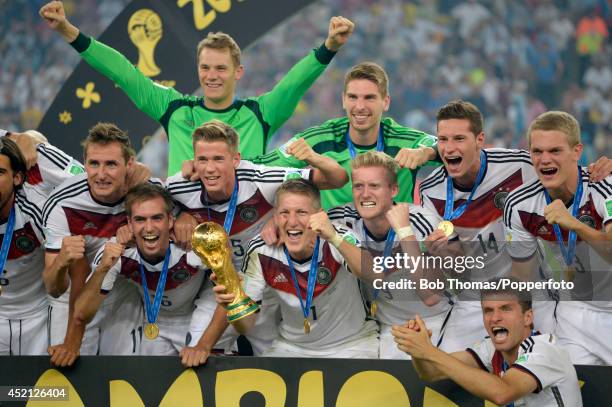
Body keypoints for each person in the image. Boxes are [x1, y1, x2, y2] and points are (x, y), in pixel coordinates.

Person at [40, 1, 355, 174]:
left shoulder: (259, 113)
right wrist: (69, 31)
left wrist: (328, 47)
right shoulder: (175, 109)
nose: (212, 75)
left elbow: (293, 83)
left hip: (242, 237)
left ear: (238, 72)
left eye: (221, 68)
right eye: (205, 68)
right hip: (182, 236)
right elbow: (124, 72)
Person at [418, 100, 612, 352]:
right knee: (450, 370)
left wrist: (605, 168)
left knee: (544, 369)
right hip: (473, 300)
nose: (449, 147)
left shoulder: (520, 166)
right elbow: (451, 270)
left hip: (536, 297)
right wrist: (443, 254)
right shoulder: (429, 190)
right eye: (442, 140)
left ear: (479, 139)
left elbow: (570, 174)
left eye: (459, 138)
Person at [166, 120, 347, 356]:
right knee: (199, 354)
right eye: (203, 159)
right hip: (219, 287)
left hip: (269, 285)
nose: (209, 169)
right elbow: (148, 206)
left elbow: (337, 178)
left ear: (235, 159)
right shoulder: (178, 188)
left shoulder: (261, 178)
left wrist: (312, 157)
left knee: (278, 361)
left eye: (218, 159)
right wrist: (180, 215)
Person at [213, 179, 378, 357]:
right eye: (284, 213)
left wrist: (333, 237)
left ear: (319, 215)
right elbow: (246, 325)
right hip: (291, 347)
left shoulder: (339, 236)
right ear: (275, 217)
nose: (292, 221)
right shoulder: (260, 250)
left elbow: (374, 275)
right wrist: (233, 305)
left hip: (352, 344)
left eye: (301, 212)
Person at [42, 123, 157, 366]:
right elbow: (53, 288)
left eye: (111, 164)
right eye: (94, 163)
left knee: (123, 379)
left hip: (122, 296)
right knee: (66, 384)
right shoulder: (62, 203)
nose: (101, 174)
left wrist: (186, 219)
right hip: (70, 298)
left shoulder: (147, 194)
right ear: (84, 163)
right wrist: (62, 262)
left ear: (129, 164)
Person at [251, 62, 439, 209]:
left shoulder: (406, 141)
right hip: (335, 250)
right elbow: (256, 168)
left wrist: (427, 153)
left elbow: (454, 150)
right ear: (343, 100)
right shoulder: (320, 139)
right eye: (353, 97)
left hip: (392, 249)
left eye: (369, 98)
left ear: (386, 102)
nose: (360, 106)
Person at [504, 111, 612, 365]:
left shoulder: (604, 186)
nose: (544, 160)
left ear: (577, 151)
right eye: (537, 152)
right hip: (572, 314)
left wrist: (573, 224)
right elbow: (522, 276)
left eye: (555, 151)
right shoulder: (520, 204)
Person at [327, 151, 453, 358]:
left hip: (435, 320)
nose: (365, 194)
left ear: (394, 190)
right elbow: (303, 217)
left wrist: (404, 232)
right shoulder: (342, 219)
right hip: (387, 327)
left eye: (374, 186)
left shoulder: (422, 221)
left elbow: (430, 296)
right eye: (358, 186)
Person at [74, 183, 212, 367]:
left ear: (170, 221)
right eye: (140, 219)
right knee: (153, 387)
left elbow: (226, 295)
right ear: (129, 224)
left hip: (196, 317)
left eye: (156, 218)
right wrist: (103, 268)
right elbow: (82, 313)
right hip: (154, 323)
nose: (149, 228)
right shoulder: (115, 252)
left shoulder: (193, 245)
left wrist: (205, 344)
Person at [392, 278, 583, 407]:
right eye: (488, 310)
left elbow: (503, 393)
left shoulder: (545, 350)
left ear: (528, 317)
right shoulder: (489, 348)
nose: (495, 318)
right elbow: (431, 373)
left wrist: (429, 351)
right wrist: (417, 349)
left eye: (505, 309)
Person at [0, 138, 48, 355]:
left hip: (37, 318)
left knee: (42, 390)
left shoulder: (36, 213)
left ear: (17, 178)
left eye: (0, 172)